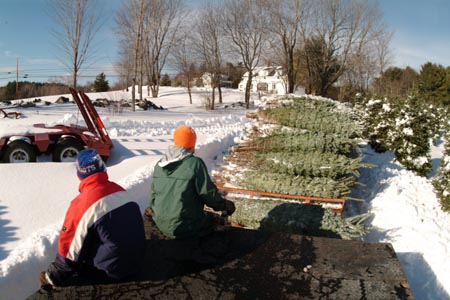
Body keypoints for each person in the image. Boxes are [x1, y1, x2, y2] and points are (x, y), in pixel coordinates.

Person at [39, 149, 146, 290]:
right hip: (138, 261)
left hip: (111, 271)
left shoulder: (83, 204)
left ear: (80, 174)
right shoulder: (120, 190)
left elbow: (70, 251)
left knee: (82, 245)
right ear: (102, 168)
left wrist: (51, 277)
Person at [149, 125, 235, 240]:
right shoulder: (194, 164)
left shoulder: (160, 164)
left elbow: (154, 196)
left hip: (160, 222)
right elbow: (208, 194)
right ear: (191, 144)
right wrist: (224, 205)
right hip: (185, 226)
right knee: (216, 223)